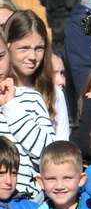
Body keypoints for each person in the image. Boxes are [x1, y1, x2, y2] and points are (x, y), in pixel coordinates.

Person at [0, 33, 56, 201]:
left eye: (1, 56)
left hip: (27, 205)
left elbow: (50, 156)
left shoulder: (31, 99)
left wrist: (11, 107)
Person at [3, 9, 70, 140]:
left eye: (39, 48)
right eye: (24, 48)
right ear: (7, 46)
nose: (32, 56)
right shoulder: (3, 91)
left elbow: (62, 143)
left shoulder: (53, 92)